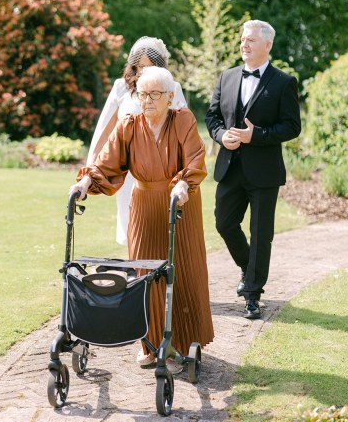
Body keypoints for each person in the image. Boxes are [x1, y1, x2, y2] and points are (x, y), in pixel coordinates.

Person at [70, 66, 214, 371]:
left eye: (154, 94)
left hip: (179, 203)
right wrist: (84, 183)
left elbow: (195, 158)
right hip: (144, 205)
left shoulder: (183, 120)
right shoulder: (129, 126)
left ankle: (182, 342)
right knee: (145, 275)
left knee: (182, 271)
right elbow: (106, 164)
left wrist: (184, 183)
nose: (146, 100)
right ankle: (149, 344)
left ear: (170, 97)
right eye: (142, 93)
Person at [205, 19, 301, 319]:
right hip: (230, 168)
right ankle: (249, 269)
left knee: (261, 234)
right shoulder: (227, 76)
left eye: (251, 41)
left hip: (264, 172)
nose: (244, 45)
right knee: (224, 223)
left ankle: (252, 294)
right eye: (242, 40)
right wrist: (223, 137)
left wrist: (255, 135)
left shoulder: (284, 82)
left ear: (267, 45)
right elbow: (212, 117)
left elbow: (291, 126)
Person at [87, 36, 187, 245]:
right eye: (140, 66)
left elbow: (183, 128)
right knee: (128, 211)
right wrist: (91, 167)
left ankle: (159, 262)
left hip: (162, 165)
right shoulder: (121, 87)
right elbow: (105, 127)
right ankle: (134, 260)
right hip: (128, 162)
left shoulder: (173, 88)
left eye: (149, 66)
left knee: (159, 217)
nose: (144, 71)